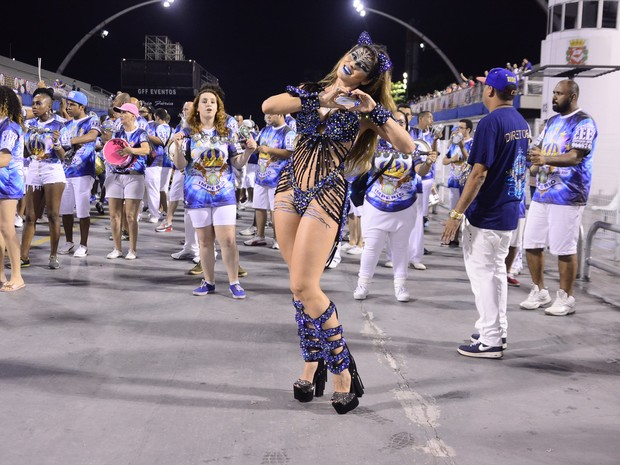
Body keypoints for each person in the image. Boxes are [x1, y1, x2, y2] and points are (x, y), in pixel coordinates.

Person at [262, 31, 416, 413]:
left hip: (325, 192)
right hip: (288, 188)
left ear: (368, 79)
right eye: (354, 55)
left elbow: (407, 146)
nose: (355, 63)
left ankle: (342, 370)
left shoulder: (364, 110)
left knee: (304, 284)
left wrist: (373, 110)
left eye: (364, 65)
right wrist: (319, 98)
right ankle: (311, 363)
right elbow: (269, 104)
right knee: (298, 289)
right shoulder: (310, 90)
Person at [441, 67, 529, 359]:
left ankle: (490, 339)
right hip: (509, 210)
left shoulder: (491, 123)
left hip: (489, 213)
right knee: (496, 274)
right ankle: (495, 329)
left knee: (483, 276)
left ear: (489, 90)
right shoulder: (520, 121)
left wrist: (455, 214)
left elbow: (478, 174)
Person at [520, 80, 597, 316]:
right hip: (543, 192)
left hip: (568, 194)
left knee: (564, 248)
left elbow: (575, 157)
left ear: (572, 96)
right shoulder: (551, 122)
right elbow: (537, 148)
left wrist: (544, 160)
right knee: (531, 242)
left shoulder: (584, 121)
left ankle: (566, 297)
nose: (554, 97)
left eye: (559, 93)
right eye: (553, 93)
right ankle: (540, 290)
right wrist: (533, 161)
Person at [171, 85, 254, 298]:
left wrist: (249, 153)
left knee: (228, 240)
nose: (209, 104)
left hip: (224, 193)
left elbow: (236, 163)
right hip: (196, 193)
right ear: (197, 107)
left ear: (218, 108)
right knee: (204, 242)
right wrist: (178, 147)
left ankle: (234, 282)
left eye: (213, 102)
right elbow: (181, 165)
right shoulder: (186, 132)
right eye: (205, 101)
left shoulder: (228, 132)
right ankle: (208, 282)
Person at [353, 111, 436, 302]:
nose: (398, 124)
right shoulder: (375, 142)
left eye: (402, 122)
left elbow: (419, 171)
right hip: (375, 203)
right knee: (371, 247)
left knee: (400, 248)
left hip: (404, 204)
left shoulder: (413, 146)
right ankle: (363, 284)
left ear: (407, 125)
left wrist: (428, 163)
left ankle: (401, 286)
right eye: (394, 121)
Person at [21, 87, 67, 269]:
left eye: (39, 103)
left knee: (53, 215)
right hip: (33, 168)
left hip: (52, 171)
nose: (35, 107)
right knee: (30, 216)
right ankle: (23, 256)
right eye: (33, 104)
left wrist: (56, 143)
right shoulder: (30, 126)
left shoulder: (60, 125)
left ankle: (53, 256)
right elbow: (26, 152)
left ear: (49, 106)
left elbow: (63, 156)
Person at [102, 103, 150, 260]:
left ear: (133, 115)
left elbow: (146, 150)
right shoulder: (118, 133)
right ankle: (117, 248)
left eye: (124, 113)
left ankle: (132, 249)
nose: (121, 115)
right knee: (114, 215)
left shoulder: (141, 133)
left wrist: (132, 151)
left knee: (130, 215)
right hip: (115, 175)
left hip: (134, 176)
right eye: (120, 113)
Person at [58, 91, 100, 258]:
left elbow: (92, 136)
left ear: (81, 107)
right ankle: (69, 242)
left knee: (82, 210)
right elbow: (62, 149)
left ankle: (83, 244)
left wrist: (72, 141)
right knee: (66, 210)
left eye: (72, 104)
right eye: (68, 104)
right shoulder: (66, 126)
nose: (69, 107)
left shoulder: (91, 120)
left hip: (83, 171)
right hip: (66, 171)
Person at [243, 113, 295, 249]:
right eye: (266, 114)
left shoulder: (288, 132)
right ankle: (259, 236)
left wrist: (269, 150)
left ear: (280, 114)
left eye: (270, 114)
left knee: (275, 210)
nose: (267, 117)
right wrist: (251, 146)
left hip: (278, 178)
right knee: (259, 207)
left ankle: (278, 239)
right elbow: (258, 148)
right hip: (261, 176)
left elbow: (290, 152)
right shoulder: (265, 130)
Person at [0, 86, 26, 291]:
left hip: (8, 181)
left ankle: (17, 276)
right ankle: (1, 272)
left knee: (8, 228)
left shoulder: (9, 128)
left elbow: (5, 159)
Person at [442, 118, 474, 247]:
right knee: (453, 211)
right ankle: (452, 238)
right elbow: (444, 160)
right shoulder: (454, 144)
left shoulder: (473, 143)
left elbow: (470, 159)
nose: (458, 130)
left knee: (466, 212)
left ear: (468, 130)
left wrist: (462, 147)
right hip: (454, 182)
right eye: (457, 127)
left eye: (461, 127)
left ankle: (468, 238)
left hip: (466, 183)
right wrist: (452, 159)